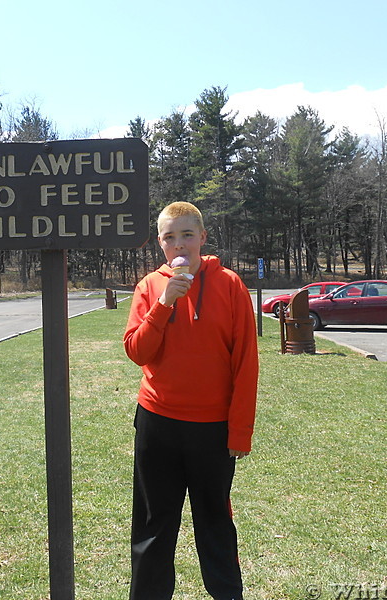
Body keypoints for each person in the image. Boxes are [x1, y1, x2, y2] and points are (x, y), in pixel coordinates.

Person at [123, 201, 259, 600]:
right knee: (153, 526)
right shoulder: (150, 286)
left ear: (202, 237)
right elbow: (137, 351)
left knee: (215, 523)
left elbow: (245, 363)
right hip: (157, 423)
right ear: (160, 244)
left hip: (212, 430)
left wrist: (240, 431)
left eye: (186, 234)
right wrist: (164, 304)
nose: (178, 244)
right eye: (169, 237)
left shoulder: (230, 284)